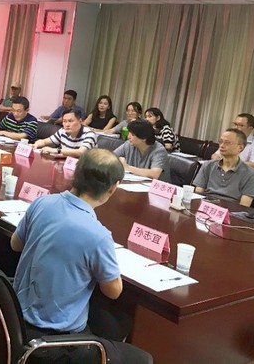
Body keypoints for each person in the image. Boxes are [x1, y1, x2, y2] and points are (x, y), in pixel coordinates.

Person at [11, 149, 153, 364]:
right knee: (142, 358)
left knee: (108, 321)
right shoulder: (98, 235)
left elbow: (15, 244)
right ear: (113, 188)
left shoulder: (42, 203)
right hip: (55, 344)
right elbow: (114, 291)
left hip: (15, 321)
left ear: (75, 174)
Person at [193, 128, 254, 207]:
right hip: (205, 207)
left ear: (240, 148)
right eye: (220, 142)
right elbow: (198, 195)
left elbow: (244, 207)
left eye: (227, 143)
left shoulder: (252, 174)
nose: (222, 146)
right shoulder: (208, 165)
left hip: (231, 211)